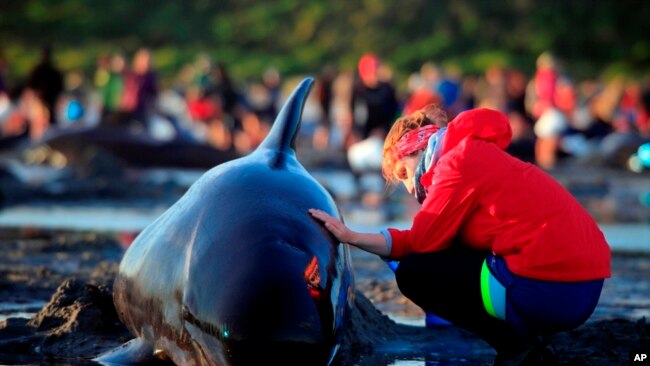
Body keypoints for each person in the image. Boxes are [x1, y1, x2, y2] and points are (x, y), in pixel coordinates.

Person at [309, 104, 611, 365]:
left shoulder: (456, 163)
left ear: (417, 149)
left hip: (551, 293)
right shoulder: (474, 152)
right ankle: (529, 338)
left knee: (415, 272)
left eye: (403, 174)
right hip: (584, 288)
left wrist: (352, 236)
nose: (410, 189)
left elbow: (421, 243)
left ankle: (517, 346)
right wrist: (354, 236)